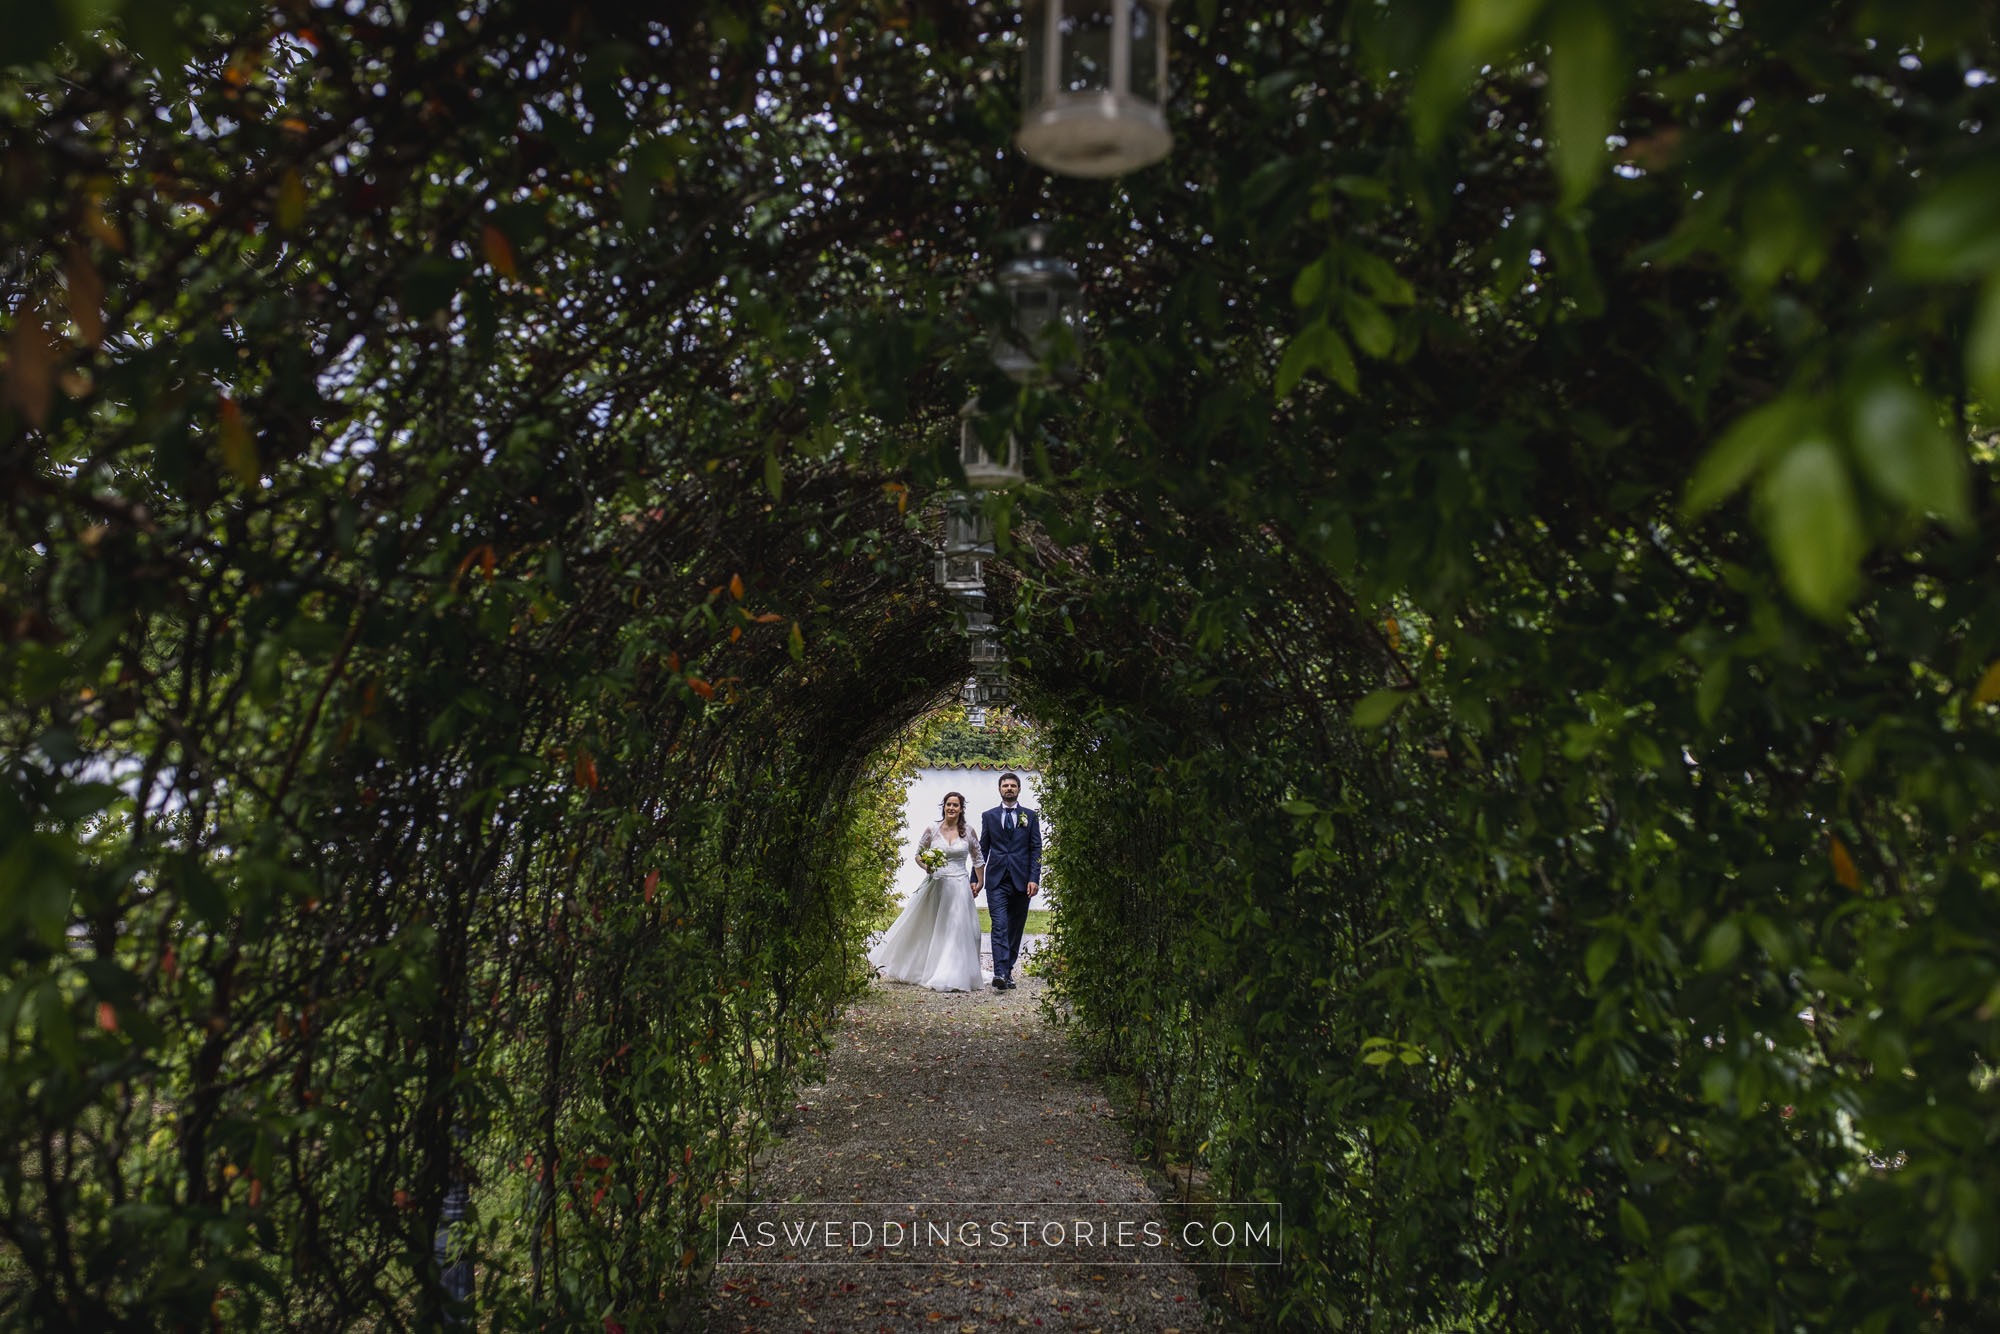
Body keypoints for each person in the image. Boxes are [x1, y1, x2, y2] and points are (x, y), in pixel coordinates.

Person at [868, 791, 990, 992]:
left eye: (955, 805)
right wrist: (928, 866)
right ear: (944, 807)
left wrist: (980, 881)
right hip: (937, 884)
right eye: (948, 804)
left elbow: (978, 858)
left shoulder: (968, 831)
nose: (951, 808)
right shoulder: (932, 830)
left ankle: (955, 973)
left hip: (960, 885)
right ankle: (929, 968)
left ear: (961, 809)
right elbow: (918, 855)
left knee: (958, 928)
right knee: (934, 928)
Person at [978, 772, 1040, 991]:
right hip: (997, 880)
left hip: (1022, 881)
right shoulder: (989, 816)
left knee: (1015, 928)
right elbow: (982, 849)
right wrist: (976, 878)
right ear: (999, 789)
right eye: (1005, 785)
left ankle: (1008, 970)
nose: (1009, 788)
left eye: (1013, 785)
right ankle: (1000, 973)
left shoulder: (1030, 816)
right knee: (999, 925)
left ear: (1019, 789)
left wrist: (1034, 878)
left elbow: (1036, 849)